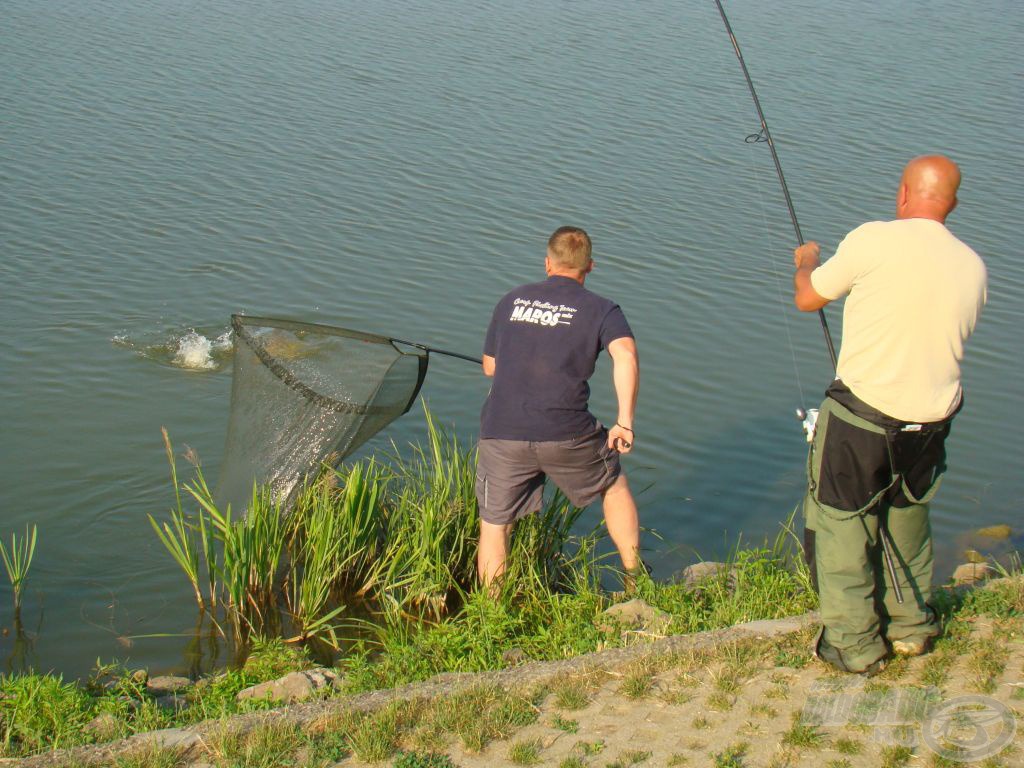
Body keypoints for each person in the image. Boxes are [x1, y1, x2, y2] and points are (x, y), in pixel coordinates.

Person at [792, 155, 987, 675]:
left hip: (862, 419)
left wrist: (806, 260)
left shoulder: (873, 239)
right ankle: (910, 628)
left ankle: (854, 644)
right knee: (907, 522)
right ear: (954, 203)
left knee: (841, 525)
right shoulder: (973, 265)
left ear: (903, 194)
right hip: (930, 426)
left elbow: (809, 299)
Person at [476, 226, 641, 588]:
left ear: (547, 262)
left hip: (503, 432)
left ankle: (489, 617)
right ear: (590, 267)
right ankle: (634, 579)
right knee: (612, 485)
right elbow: (625, 355)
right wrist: (623, 422)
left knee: (494, 525)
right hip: (568, 434)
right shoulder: (602, 310)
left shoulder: (511, 300)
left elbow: (490, 367)